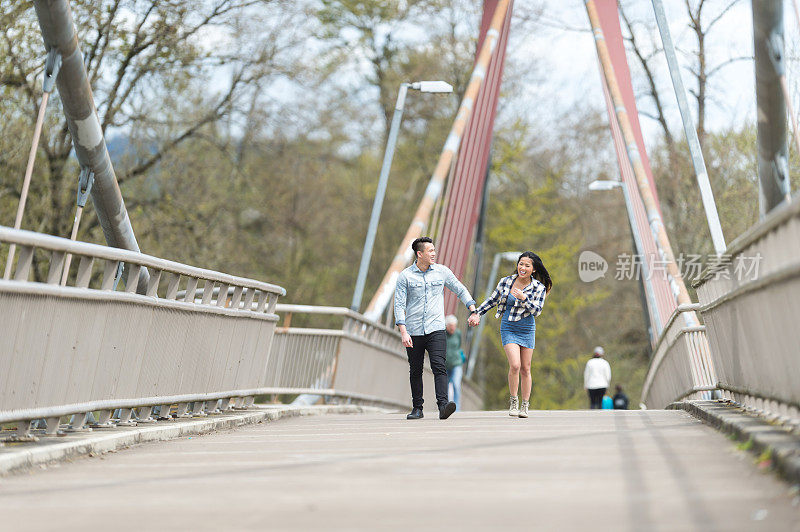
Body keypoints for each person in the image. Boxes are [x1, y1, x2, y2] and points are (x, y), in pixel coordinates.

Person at [395, 237, 477, 420]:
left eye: (434, 250)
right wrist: (403, 331)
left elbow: (460, 289)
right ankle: (417, 408)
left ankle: (443, 406)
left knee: (439, 366)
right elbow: (399, 305)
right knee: (415, 370)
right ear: (420, 254)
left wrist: (472, 308)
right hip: (413, 330)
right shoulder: (405, 277)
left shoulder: (442, 272)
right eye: (430, 251)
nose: (434, 253)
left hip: (436, 329)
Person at [468, 251, 551, 419]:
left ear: (533, 269)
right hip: (508, 327)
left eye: (527, 265)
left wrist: (524, 299)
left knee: (526, 368)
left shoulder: (538, 288)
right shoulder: (506, 282)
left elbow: (537, 311)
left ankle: (525, 405)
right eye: (521, 264)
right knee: (515, 365)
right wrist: (477, 313)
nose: (522, 267)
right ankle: (514, 400)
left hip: (527, 329)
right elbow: (492, 300)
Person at [445, 315, 465, 411]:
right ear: (446, 326)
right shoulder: (442, 334)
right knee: (444, 386)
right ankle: (447, 406)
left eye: (454, 325)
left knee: (456, 384)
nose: (453, 328)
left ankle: (457, 408)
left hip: (456, 363)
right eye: (451, 326)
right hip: (445, 364)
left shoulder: (458, 333)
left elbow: (459, 345)